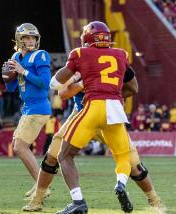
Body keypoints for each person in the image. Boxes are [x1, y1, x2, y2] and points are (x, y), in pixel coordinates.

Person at [23, 67, 164, 213]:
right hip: (81, 113)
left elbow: (133, 88)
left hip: (107, 114)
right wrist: (84, 84)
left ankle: (155, 200)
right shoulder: (80, 60)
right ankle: (37, 200)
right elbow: (62, 92)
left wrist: (111, 96)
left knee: (134, 166)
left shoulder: (117, 59)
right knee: (51, 157)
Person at [50, 21, 135, 214]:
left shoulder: (81, 53)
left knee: (64, 155)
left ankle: (78, 202)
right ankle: (121, 184)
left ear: (87, 38)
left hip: (93, 107)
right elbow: (134, 88)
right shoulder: (121, 54)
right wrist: (112, 92)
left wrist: (76, 76)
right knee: (123, 157)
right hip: (115, 109)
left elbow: (55, 84)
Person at [3, 23, 52, 198]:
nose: (31, 41)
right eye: (27, 38)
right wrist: (7, 77)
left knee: (20, 147)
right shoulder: (16, 56)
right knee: (19, 144)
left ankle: (42, 187)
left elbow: (45, 84)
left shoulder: (41, 55)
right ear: (19, 40)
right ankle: (40, 183)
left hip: (39, 106)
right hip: (28, 108)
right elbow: (10, 88)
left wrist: (23, 71)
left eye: (33, 38)